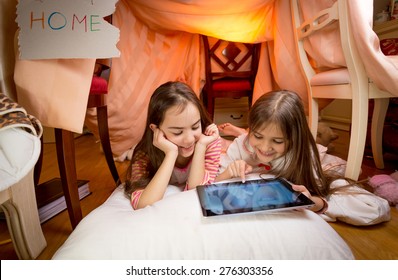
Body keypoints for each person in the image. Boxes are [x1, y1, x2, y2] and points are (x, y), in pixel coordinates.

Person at [216, 90, 333, 214]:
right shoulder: (239, 147)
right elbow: (213, 185)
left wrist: (308, 201)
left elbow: (321, 202)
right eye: (258, 136)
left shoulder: (303, 153)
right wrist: (229, 172)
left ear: (294, 139)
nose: (265, 148)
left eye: (277, 141)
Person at [125, 81, 222, 209]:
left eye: (195, 127)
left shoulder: (208, 142)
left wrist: (200, 147)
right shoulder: (145, 153)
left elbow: (198, 190)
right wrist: (170, 154)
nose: (188, 140)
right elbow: (142, 204)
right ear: (156, 129)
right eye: (177, 132)